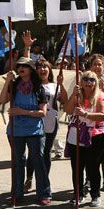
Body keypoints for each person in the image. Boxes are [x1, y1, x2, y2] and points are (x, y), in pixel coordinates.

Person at [0, 57, 50, 205]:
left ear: (31, 70)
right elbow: (3, 100)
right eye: (19, 66)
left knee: (38, 161)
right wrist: (7, 81)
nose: (21, 68)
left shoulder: (38, 87)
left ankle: (44, 194)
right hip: (16, 131)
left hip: (35, 131)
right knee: (17, 162)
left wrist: (23, 112)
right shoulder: (14, 86)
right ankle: (17, 193)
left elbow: (43, 112)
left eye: (25, 66)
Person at [64, 70, 104, 207]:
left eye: (92, 80)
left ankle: (95, 194)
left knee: (92, 167)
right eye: (85, 79)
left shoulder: (100, 96)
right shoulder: (78, 96)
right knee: (77, 167)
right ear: (81, 82)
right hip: (76, 136)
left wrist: (86, 114)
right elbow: (68, 110)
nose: (88, 82)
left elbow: (103, 115)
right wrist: (73, 95)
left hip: (95, 137)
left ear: (96, 82)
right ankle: (78, 194)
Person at [24, 59, 67, 192]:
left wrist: (62, 85)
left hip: (50, 122)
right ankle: (29, 178)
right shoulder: (31, 85)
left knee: (46, 152)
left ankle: (43, 180)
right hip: (34, 121)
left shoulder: (55, 86)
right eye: (39, 67)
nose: (42, 70)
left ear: (49, 69)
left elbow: (64, 101)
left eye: (45, 67)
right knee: (33, 152)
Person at [89, 53, 104, 193]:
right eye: (95, 64)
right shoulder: (86, 79)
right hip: (88, 121)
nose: (97, 67)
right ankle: (89, 181)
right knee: (88, 152)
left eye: (100, 64)